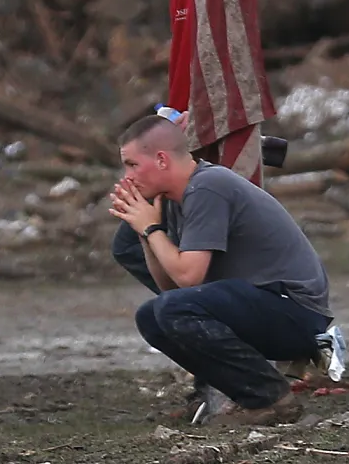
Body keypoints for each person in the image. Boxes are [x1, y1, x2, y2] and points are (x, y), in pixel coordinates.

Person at [109, 115, 333, 426]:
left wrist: (150, 229)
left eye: (132, 164)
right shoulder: (174, 200)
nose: (127, 176)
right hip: (258, 305)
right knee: (151, 316)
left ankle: (270, 398)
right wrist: (147, 231)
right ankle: (259, 398)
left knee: (171, 309)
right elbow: (173, 289)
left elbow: (188, 278)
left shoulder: (207, 187)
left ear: (161, 160)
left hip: (296, 313)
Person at [111, 0, 197, 293]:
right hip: (177, 135)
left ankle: (208, 334)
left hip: (194, 143)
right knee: (133, 243)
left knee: (142, 244)